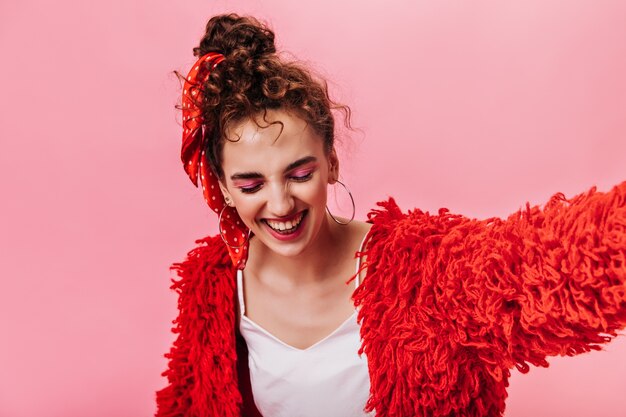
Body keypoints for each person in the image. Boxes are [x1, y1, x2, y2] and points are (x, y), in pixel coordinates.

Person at [155, 13, 626, 417]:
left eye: (299, 174)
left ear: (331, 163)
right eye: (252, 184)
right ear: (222, 188)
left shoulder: (421, 268)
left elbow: (541, 264)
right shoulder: (212, 287)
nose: (279, 205)